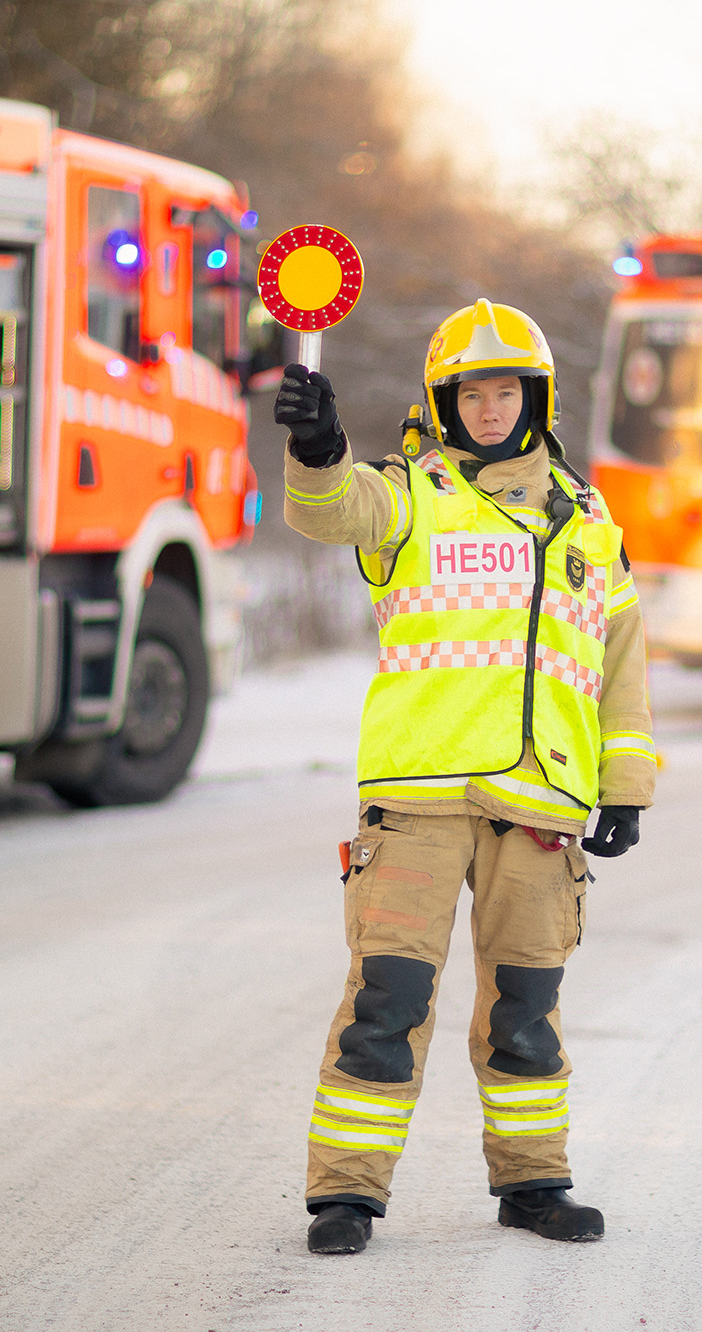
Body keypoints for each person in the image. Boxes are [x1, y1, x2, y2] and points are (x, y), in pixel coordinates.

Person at [275, 298, 656, 1255]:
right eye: (471, 393)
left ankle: (533, 1184)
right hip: (417, 801)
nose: (490, 409)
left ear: (538, 398)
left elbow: (620, 660)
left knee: (527, 1008)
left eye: (507, 391)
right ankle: (346, 1196)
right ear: (445, 403)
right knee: (387, 999)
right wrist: (320, 450)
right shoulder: (411, 494)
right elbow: (332, 512)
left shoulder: (587, 519)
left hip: (541, 806)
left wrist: (627, 785)